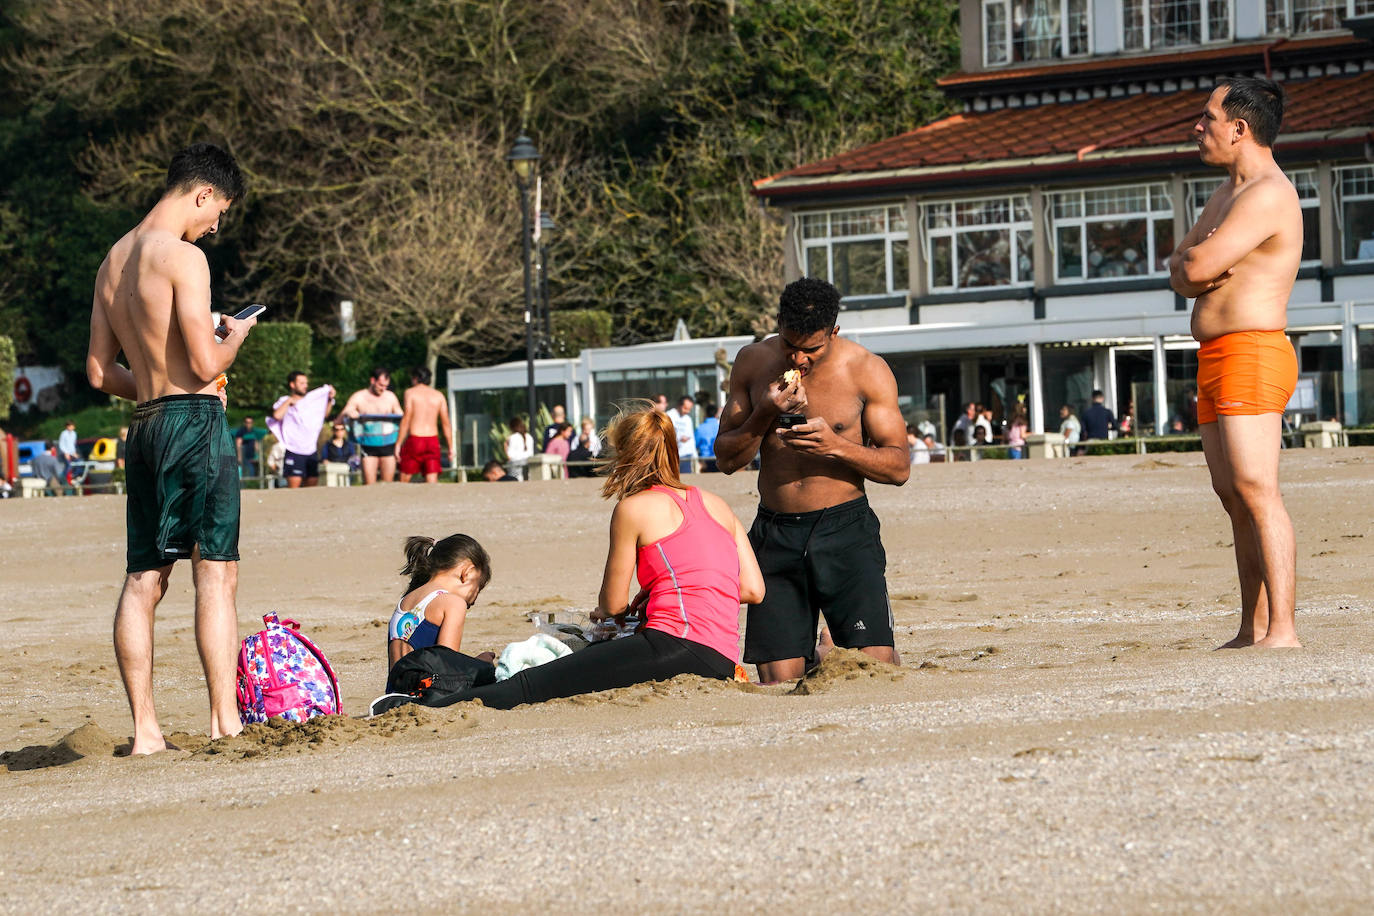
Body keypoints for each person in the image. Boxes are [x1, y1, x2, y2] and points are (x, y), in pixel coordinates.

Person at [86, 142, 255, 753]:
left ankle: (146, 732)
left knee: (143, 578)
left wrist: (160, 382)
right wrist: (233, 338)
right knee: (216, 572)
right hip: (194, 423)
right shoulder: (183, 258)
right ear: (201, 192)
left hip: (147, 425)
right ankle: (223, 721)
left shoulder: (112, 260)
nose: (215, 226)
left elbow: (100, 374)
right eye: (219, 212)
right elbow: (208, 359)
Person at [432, 403, 764, 709]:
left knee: (531, 684)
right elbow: (753, 589)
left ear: (625, 456)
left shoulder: (633, 508)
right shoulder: (718, 505)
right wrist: (667, 591)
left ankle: (415, 709)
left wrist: (630, 605)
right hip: (723, 660)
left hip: (674, 646)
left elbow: (613, 606)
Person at [715, 277, 909, 683]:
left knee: (875, 673)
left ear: (834, 332)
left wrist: (836, 446)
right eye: (790, 344)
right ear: (778, 324)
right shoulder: (752, 362)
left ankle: (827, 647)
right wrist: (764, 412)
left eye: (812, 349)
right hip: (776, 531)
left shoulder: (866, 369)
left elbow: (898, 467)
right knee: (778, 683)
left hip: (845, 527)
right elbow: (727, 458)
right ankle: (821, 650)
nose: (798, 358)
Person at [1168, 76, 1303, 649]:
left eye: (1207, 118)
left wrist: (1193, 266)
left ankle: (1285, 629)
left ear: (1239, 128)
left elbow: (1194, 270)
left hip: (1252, 349)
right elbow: (1179, 265)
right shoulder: (1225, 194)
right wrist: (1191, 265)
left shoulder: (1267, 192)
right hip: (1214, 353)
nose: (1198, 128)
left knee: (1256, 487)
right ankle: (1252, 625)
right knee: (1231, 492)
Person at [387, 533, 492, 668]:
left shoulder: (406, 600)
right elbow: (447, 668)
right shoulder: (453, 604)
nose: (473, 602)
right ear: (468, 573)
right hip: (427, 688)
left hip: (395, 689)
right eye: (478, 588)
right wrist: (480, 663)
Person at [336, 367, 403, 484]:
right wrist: (349, 413)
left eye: (386, 386)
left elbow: (400, 415)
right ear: (373, 381)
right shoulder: (359, 397)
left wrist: (399, 415)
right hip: (368, 446)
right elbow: (341, 417)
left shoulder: (390, 397)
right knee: (369, 486)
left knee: (388, 485)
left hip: (388, 445)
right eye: (381, 385)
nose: (383, 389)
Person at [269, 371, 334, 488]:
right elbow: (277, 416)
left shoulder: (310, 401)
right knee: (294, 490)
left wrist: (329, 400)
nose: (305, 385)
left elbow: (324, 415)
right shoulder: (284, 400)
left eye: (306, 383)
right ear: (292, 385)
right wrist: (289, 401)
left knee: (311, 491)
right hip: (294, 450)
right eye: (302, 383)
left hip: (311, 451)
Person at [395, 367, 455, 484]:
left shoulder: (410, 393)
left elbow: (406, 418)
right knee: (432, 481)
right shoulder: (438, 396)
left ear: (415, 378)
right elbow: (446, 423)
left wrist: (398, 443)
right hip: (432, 440)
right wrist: (450, 447)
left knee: (404, 479)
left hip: (415, 439)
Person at [668, 395, 697, 474]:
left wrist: (695, 455)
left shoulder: (688, 419)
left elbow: (691, 438)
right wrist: (678, 439)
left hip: (686, 455)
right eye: (685, 408)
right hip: (673, 455)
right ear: (679, 405)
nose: (687, 411)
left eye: (689, 409)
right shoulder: (669, 415)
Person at [695, 403, 720, 472]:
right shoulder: (721, 427)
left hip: (705, 462)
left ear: (705, 413)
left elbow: (695, 444)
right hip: (720, 461)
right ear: (716, 414)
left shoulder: (700, 428)